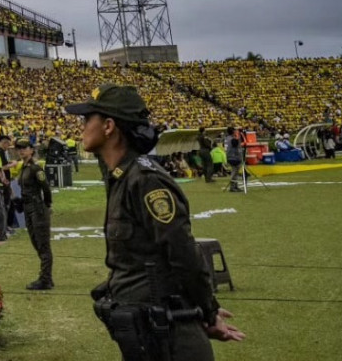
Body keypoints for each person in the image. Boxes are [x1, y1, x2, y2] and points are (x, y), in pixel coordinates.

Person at [68, 84, 244, 361]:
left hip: (170, 337)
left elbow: (183, 253)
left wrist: (208, 311)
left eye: (87, 119)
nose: (81, 127)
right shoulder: (122, 177)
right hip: (146, 336)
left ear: (109, 126)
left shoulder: (146, 181)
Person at [15, 137, 53, 290]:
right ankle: (46, 277)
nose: (21, 150)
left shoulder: (35, 168)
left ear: (31, 150)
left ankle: (45, 279)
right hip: (28, 208)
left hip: (37, 208)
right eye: (19, 148)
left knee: (43, 244)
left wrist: (47, 206)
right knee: (36, 242)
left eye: (24, 148)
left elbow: (46, 189)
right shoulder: (24, 168)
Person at [225, 127, 244, 192]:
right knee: (234, 172)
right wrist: (237, 136)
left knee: (235, 172)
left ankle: (235, 186)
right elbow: (235, 143)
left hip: (230, 157)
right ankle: (233, 187)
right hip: (234, 157)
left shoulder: (227, 138)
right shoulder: (232, 139)